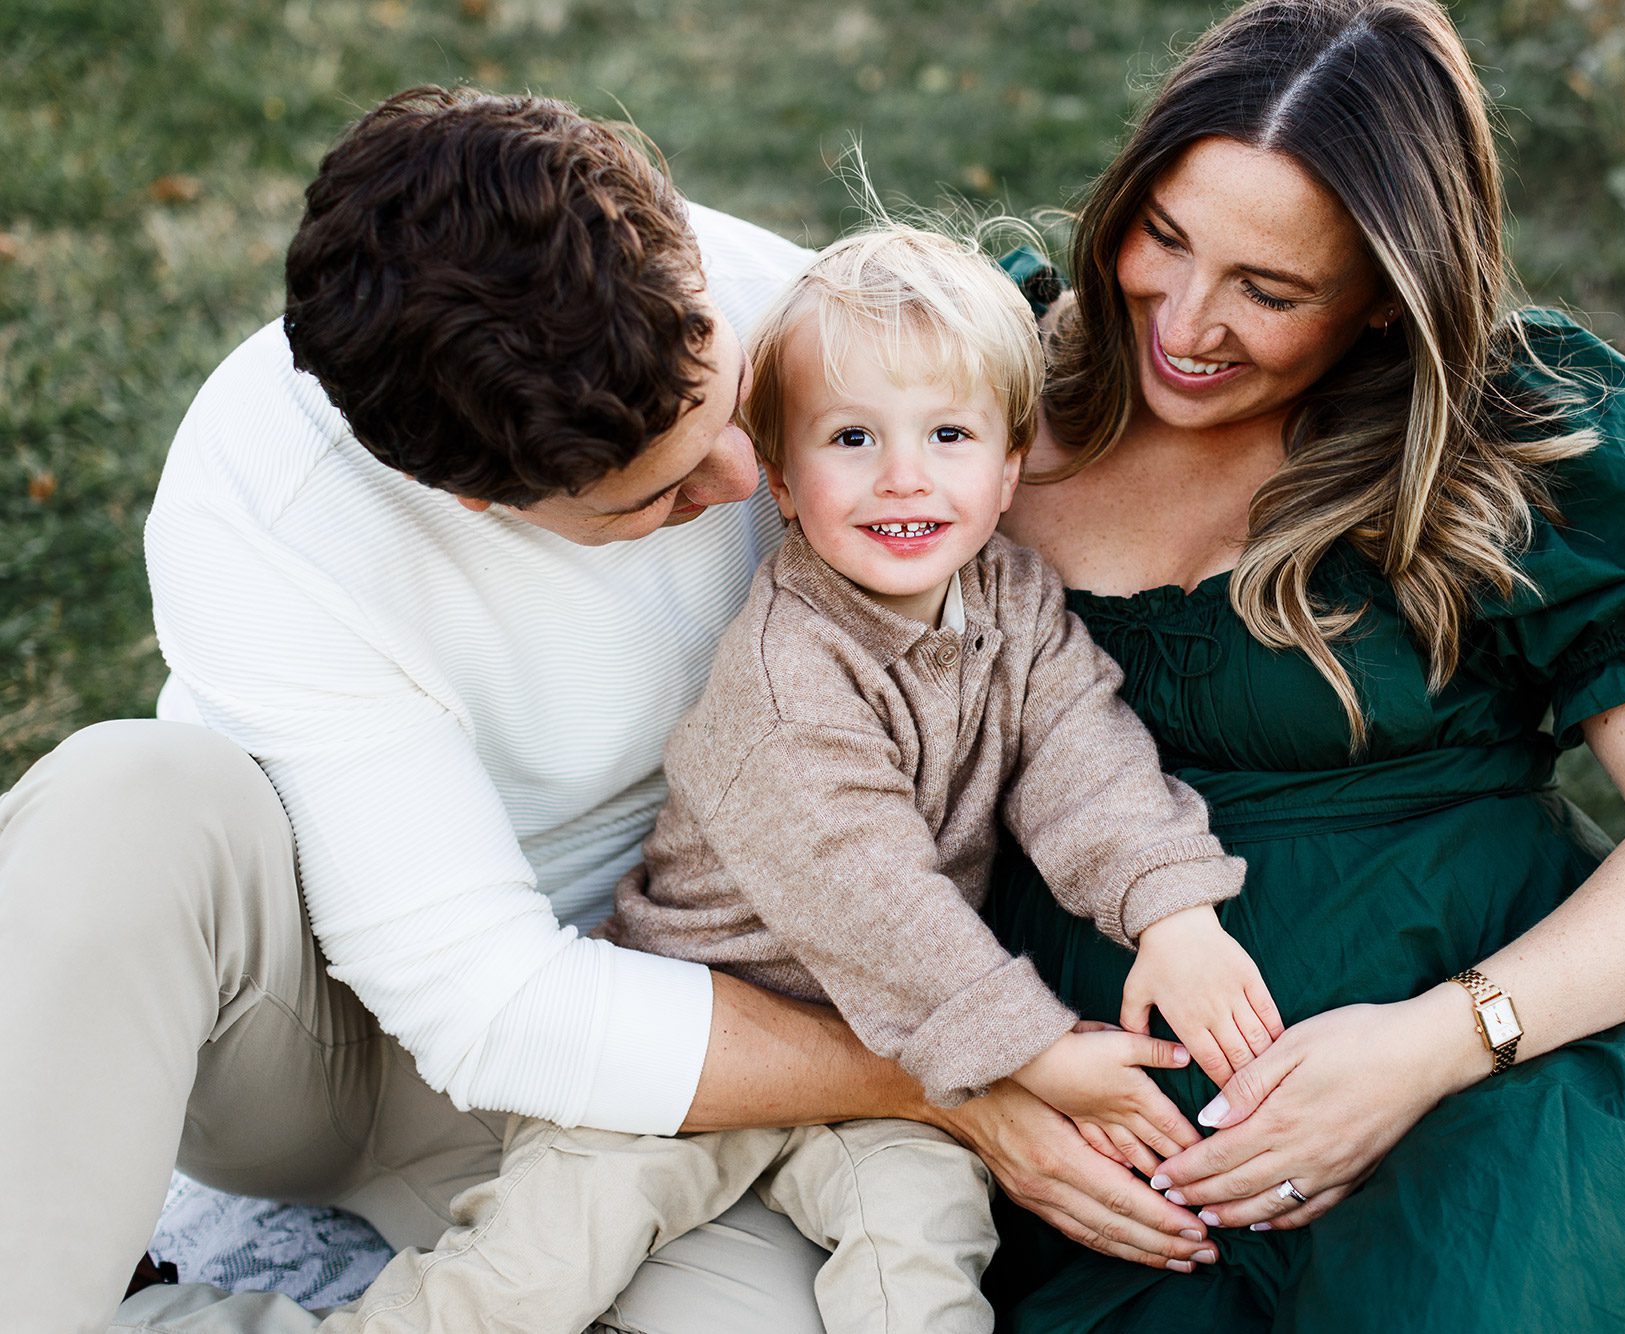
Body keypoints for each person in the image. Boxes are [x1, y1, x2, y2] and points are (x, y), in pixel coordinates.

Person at [0, 89, 1221, 1334]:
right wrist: (957, 1070)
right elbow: (493, 1009)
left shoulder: (783, 319)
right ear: (475, 498)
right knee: (125, 800)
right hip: (319, 1040)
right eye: (663, 496)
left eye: (728, 406)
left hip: (693, 1053)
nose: (747, 482)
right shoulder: (265, 502)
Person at [979, 0, 1625, 1329]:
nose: (1185, 317)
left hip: (1512, 1096)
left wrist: (1435, 1046)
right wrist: (972, 1085)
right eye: (1161, 236)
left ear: (1386, 305)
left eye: (1271, 291)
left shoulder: (1497, 441)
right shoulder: (960, 394)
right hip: (1126, 1156)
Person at [312, 222, 1283, 1334]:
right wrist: (1040, 1050)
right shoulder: (787, 667)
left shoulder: (1013, 601)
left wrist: (1169, 911)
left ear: (1012, 462)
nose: (902, 475)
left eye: (949, 433)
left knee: (924, 1258)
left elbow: (1079, 748)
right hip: (699, 1051)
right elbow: (866, 892)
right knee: (529, 1277)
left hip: (888, 1057)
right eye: (853, 437)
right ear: (777, 474)